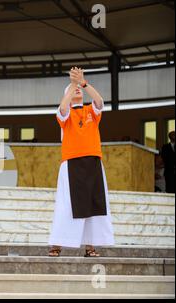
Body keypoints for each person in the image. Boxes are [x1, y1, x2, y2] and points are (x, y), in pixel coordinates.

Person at [48, 67, 114, 257]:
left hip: (93, 162)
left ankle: (90, 246)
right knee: (66, 206)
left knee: (94, 205)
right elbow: (62, 108)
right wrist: (73, 84)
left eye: (78, 89)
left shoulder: (91, 111)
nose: (76, 89)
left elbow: (100, 101)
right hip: (71, 164)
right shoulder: (65, 115)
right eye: (71, 88)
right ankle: (57, 244)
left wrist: (83, 82)